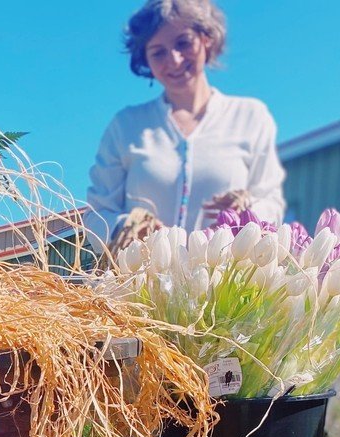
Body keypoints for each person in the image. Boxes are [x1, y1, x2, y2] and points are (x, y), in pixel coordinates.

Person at [85, 0, 285, 255]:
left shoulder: (250, 117)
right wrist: (128, 227)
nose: (175, 59)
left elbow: (273, 205)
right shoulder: (126, 126)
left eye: (183, 42)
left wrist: (247, 214)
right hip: (139, 288)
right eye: (158, 52)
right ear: (145, 58)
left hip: (222, 287)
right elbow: (96, 216)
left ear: (207, 39)